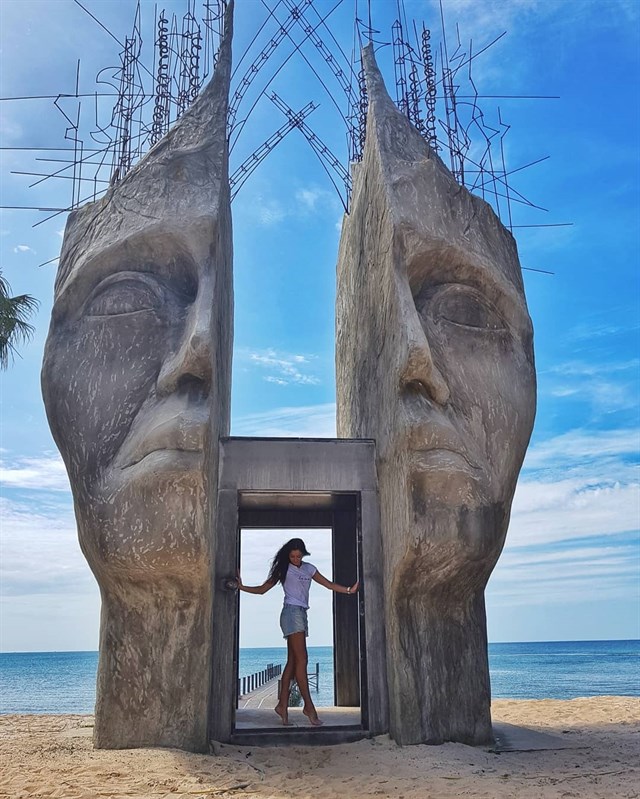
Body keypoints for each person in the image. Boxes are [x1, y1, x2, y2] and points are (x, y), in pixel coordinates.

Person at [237, 537, 359, 727]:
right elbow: (262, 589)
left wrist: (350, 590)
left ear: (303, 554)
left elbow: (328, 584)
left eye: (298, 556)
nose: (295, 559)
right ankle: (309, 707)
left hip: (302, 614)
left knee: (293, 662)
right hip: (291, 614)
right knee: (303, 660)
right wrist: (242, 587)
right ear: (288, 555)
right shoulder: (284, 569)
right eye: (292, 556)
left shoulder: (309, 569)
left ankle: (282, 706)